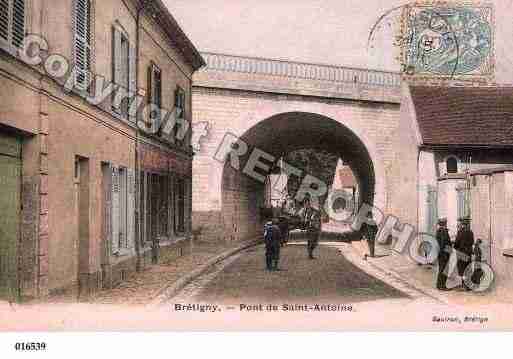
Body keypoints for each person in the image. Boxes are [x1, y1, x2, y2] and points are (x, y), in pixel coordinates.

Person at [454, 217, 475, 291]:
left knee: (462, 270)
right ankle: (468, 286)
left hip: (461, 253)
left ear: (462, 224)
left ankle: (464, 285)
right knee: (468, 269)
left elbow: (456, 243)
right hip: (468, 253)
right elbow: (472, 242)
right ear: (468, 224)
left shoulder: (460, 232)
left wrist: (456, 248)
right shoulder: (470, 232)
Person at [435, 218, 452, 291]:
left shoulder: (439, 231)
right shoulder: (443, 231)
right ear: (444, 223)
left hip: (441, 253)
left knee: (441, 269)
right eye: (445, 223)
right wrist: (445, 253)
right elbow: (443, 243)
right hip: (444, 254)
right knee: (444, 270)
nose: (446, 223)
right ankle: (442, 286)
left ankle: (439, 285)